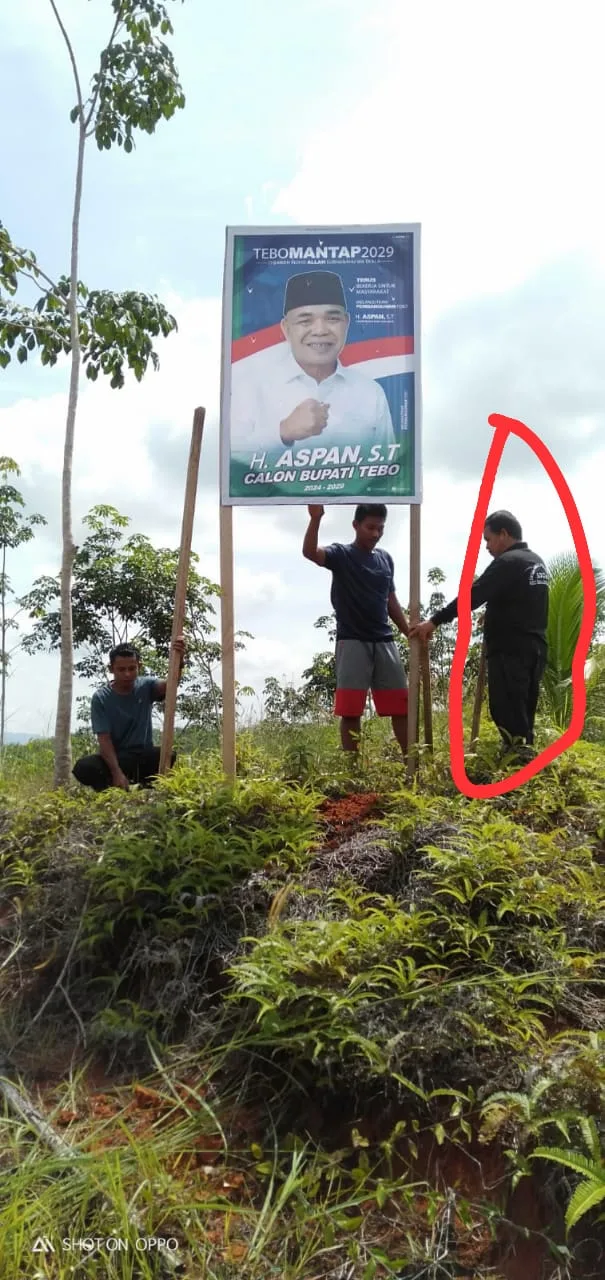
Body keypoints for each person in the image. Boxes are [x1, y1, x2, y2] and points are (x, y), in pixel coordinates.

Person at [409, 511, 549, 756]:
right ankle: (525, 771)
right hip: (535, 649)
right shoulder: (535, 562)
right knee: (523, 713)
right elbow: (523, 601)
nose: (487, 546)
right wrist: (494, 611)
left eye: (488, 539)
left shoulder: (508, 562)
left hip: (510, 651)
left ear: (504, 534)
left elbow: (472, 596)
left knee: (507, 712)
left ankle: (518, 772)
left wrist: (434, 621)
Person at [231, 270, 395, 454]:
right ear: (286, 328)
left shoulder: (370, 394)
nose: (320, 330)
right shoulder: (252, 389)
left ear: (346, 323)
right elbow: (233, 463)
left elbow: (389, 472)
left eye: (332, 319)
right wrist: (283, 432)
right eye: (305, 321)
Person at [303, 503, 409, 757]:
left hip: (384, 640)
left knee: (401, 706)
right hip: (352, 641)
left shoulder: (385, 559)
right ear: (356, 526)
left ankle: (411, 763)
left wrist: (408, 631)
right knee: (351, 710)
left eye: (380, 528)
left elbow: (390, 601)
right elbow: (310, 552)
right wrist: (315, 519)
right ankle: (352, 770)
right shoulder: (342, 554)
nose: (375, 534)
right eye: (370, 527)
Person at [72, 636, 186, 792]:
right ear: (111, 669)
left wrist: (179, 660)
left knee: (167, 755)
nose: (127, 674)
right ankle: (110, 790)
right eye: (121, 669)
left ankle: (146, 789)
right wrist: (116, 772)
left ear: (139, 666)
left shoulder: (146, 686)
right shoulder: (101, 698)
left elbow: (170, 685)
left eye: (132, 669)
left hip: (142, 755)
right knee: (84, 767)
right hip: (117, 758)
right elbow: (104, 740)